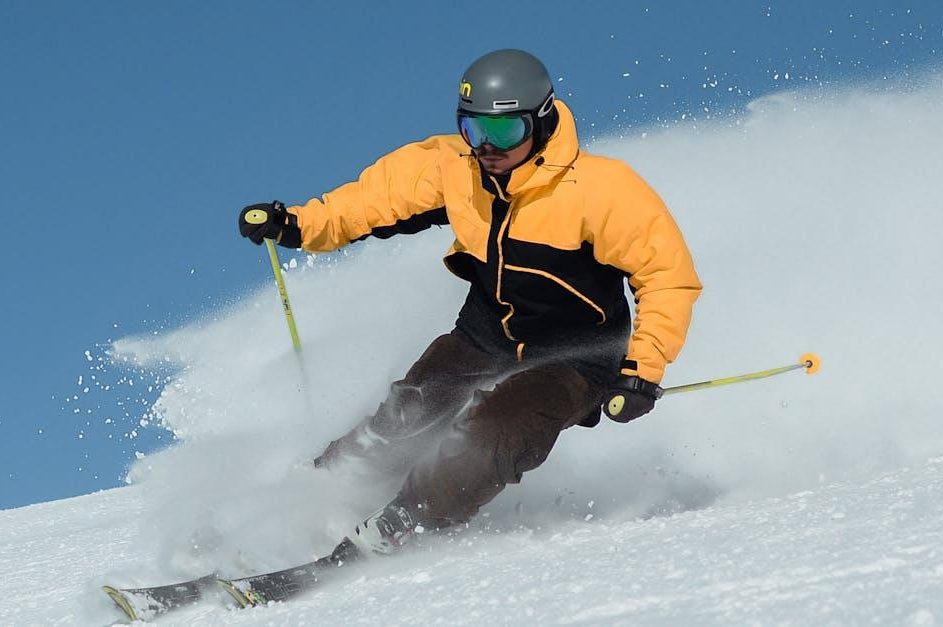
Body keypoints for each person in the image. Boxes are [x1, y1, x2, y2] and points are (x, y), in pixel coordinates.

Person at [237, 49, 701, 555]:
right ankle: (312, 498)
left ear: (541, 122)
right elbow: (371, 201)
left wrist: (642, 371)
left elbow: (667, 277)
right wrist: (300, 224)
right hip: (487, 334)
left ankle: (403, 523)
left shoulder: (602, 190)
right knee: (407, 415)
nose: (486, 147)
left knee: (493, 434)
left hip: (577, 357)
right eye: (473, 130)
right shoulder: (455, 168)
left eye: (502, 133)